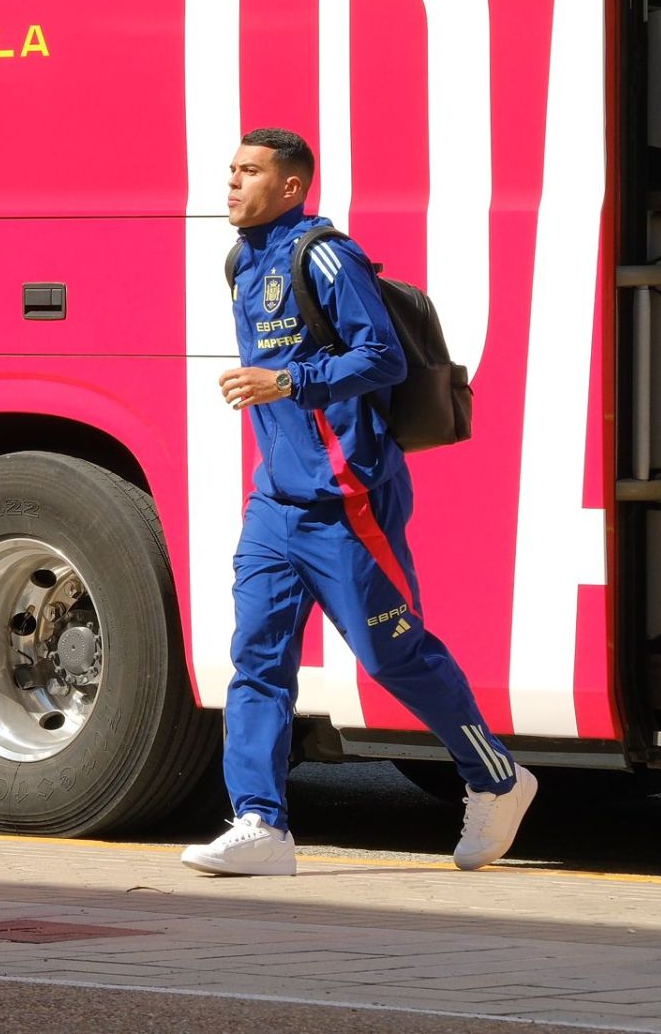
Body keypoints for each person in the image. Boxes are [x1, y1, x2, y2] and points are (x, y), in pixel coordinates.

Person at [181, 127, 534, 878]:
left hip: (348, 499)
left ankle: (497, 778)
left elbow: (383, 357)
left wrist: (290, 381)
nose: (232, 182)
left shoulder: (326, 256)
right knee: (256, 660)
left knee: (390, 655)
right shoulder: (241, 261)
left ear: (291, 186)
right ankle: (260, 824)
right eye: (231, 169)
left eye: (250, 172)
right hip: (275, 503)